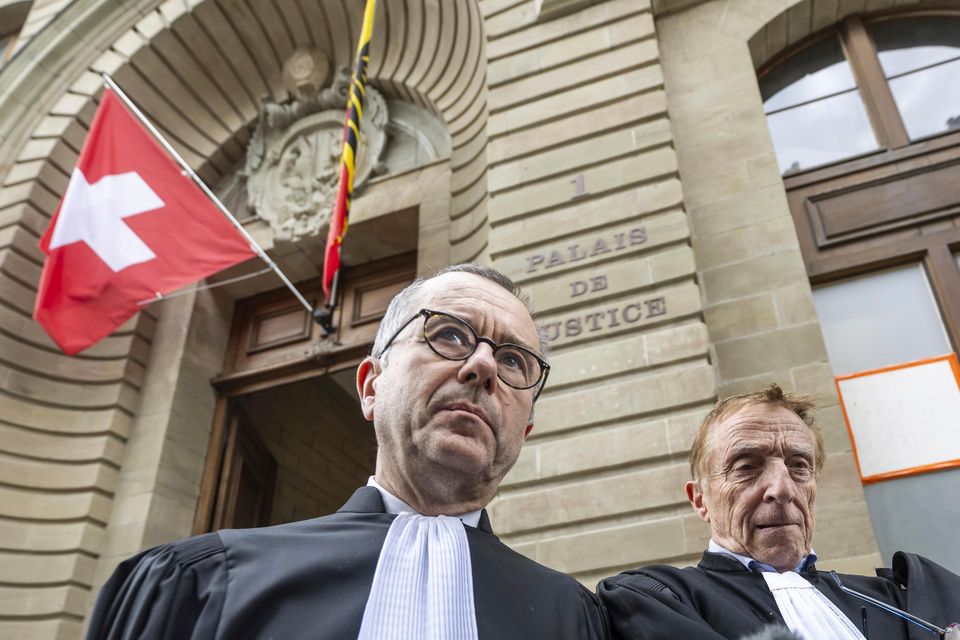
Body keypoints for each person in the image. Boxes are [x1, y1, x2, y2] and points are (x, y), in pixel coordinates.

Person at [86, 264, 608, 640]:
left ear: (526, 429)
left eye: (514, 360)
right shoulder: (199, 584)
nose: (484, 366)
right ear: (370, 387)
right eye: (449, 334)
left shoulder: (577, 620)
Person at [597, 384, 960, 640]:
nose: (782, 489)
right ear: (700, 500)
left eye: (799, 465)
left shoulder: (905, 599)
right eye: (746, 466)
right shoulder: (655, 598)